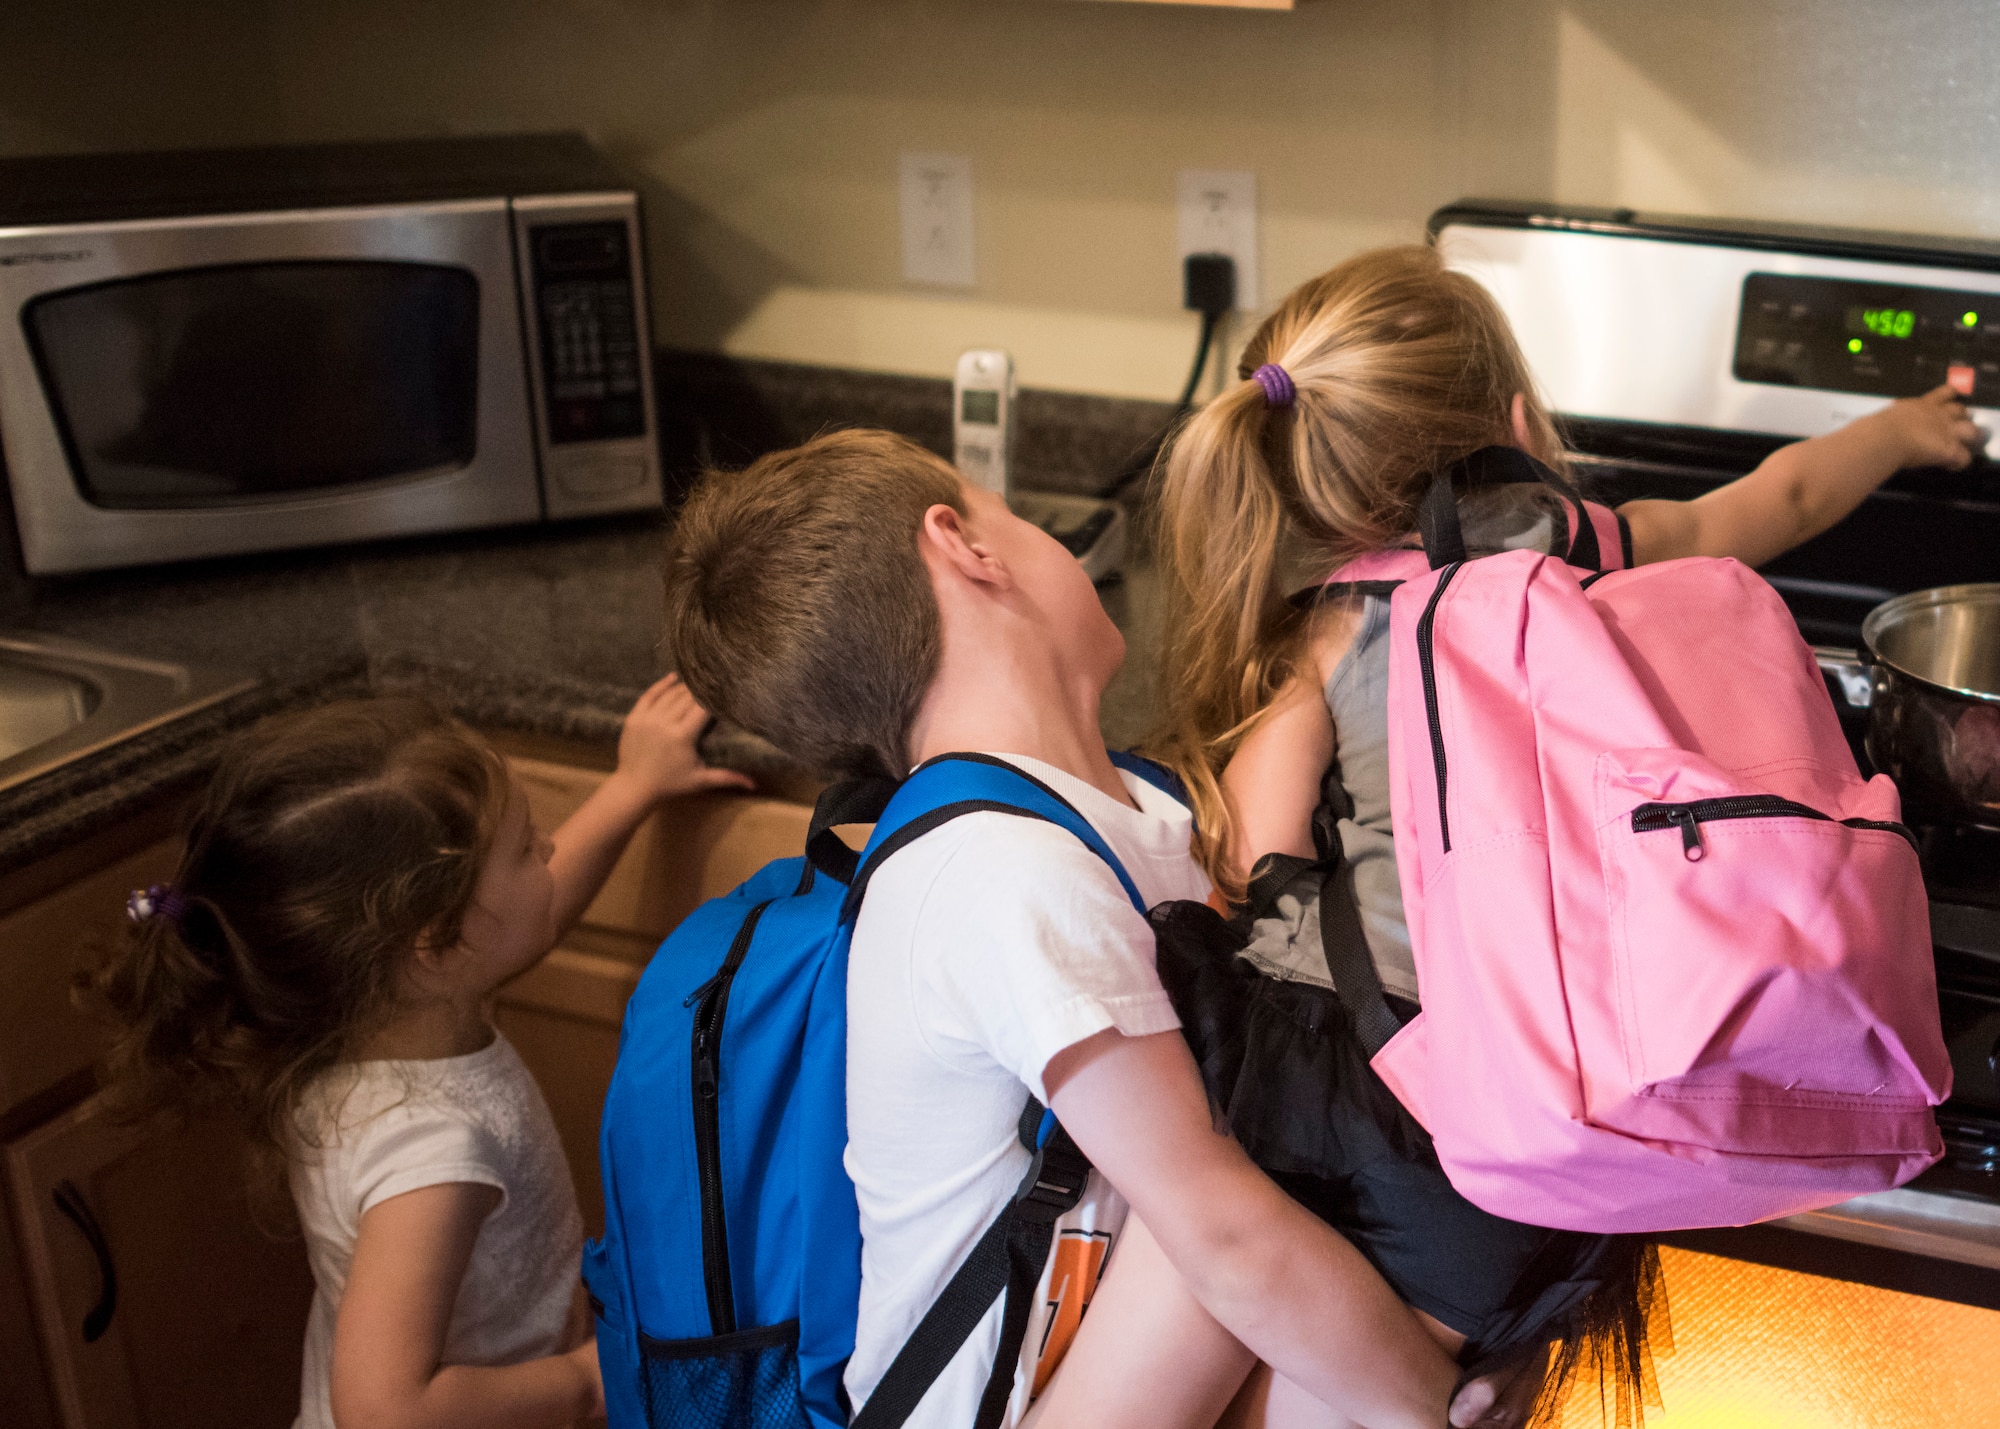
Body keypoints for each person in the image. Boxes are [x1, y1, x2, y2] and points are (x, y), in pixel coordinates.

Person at [1147, 243, 1985, 1420]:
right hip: (1521, 1122)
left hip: (1326, 1083)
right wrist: (1910, 428)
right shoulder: (1603, 544)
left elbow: (1245, 855)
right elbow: (1787, 499)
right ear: (1516, 419)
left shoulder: (1331, 629)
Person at [662, 428, 1542, 1429]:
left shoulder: (1149, 816)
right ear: (961, 544)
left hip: (1150, 1365)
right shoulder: (993, 875)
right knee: (1243, 1177)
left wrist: (1450, 1330)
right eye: (1017, 516)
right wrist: (1433, 1401)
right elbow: (1230, 1246)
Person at [87, 677, 752, 1429]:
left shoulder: (362, 1020)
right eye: (523, 846)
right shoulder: (432, 1150)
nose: (547, 848)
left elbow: (533, 910)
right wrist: (582, 1383)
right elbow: (385, 1410)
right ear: (434, 944)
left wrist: (634, 787)